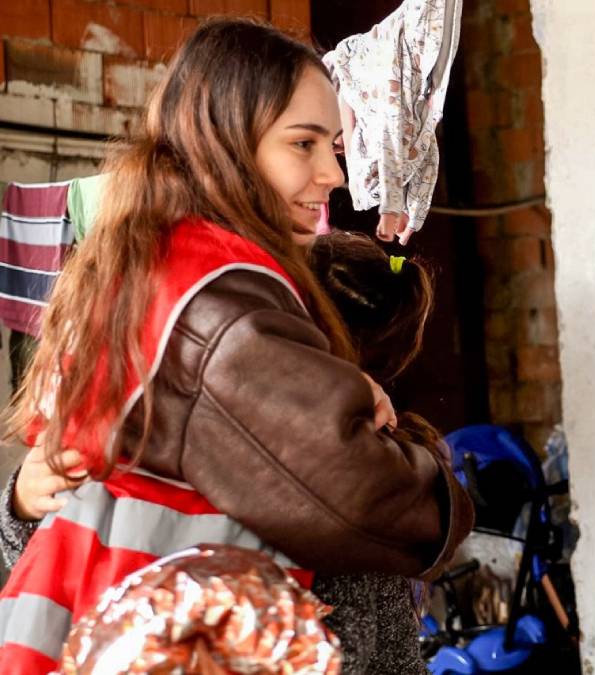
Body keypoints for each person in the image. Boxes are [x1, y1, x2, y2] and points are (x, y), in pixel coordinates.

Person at [0, 19, 470, 673]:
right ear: (225, 144)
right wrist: (439, 489)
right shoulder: (218, 296)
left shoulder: (144, 267)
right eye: (302, 143)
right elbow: (363, 491)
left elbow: (93, 513)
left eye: (333, 145)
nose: (333, 171)